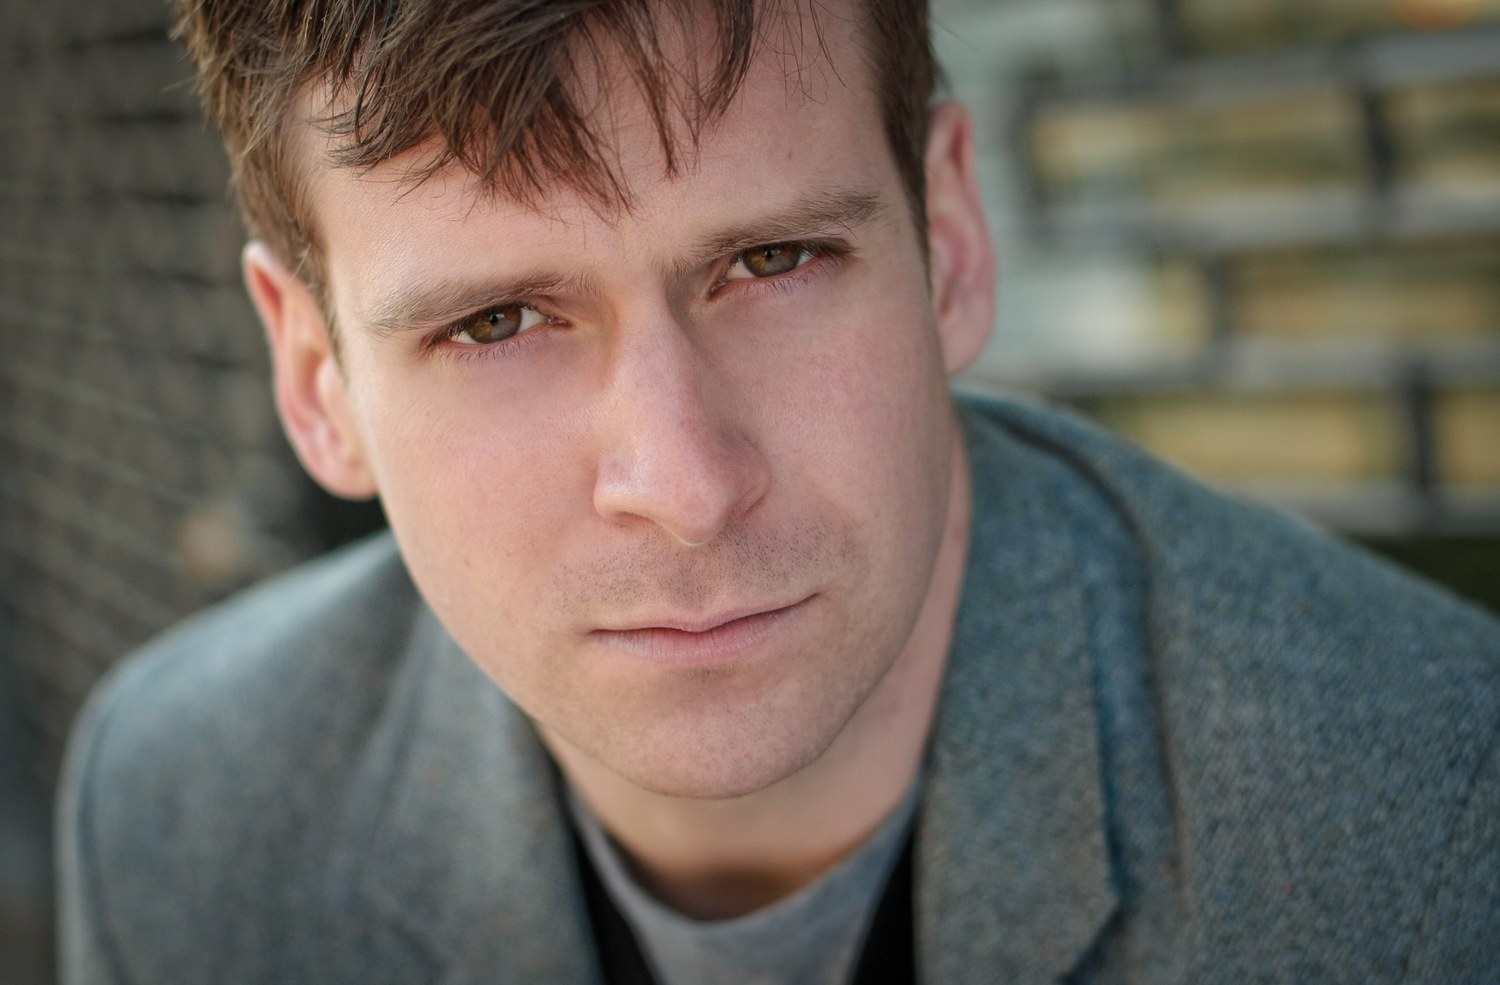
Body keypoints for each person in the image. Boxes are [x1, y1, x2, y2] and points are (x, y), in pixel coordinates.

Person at [57, 0, 1499, 981]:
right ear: (315, 378)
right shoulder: (182, 807)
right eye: (495, 323)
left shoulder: (1430, 821)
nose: (687, 485)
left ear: (948, 237)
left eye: (773, 260)